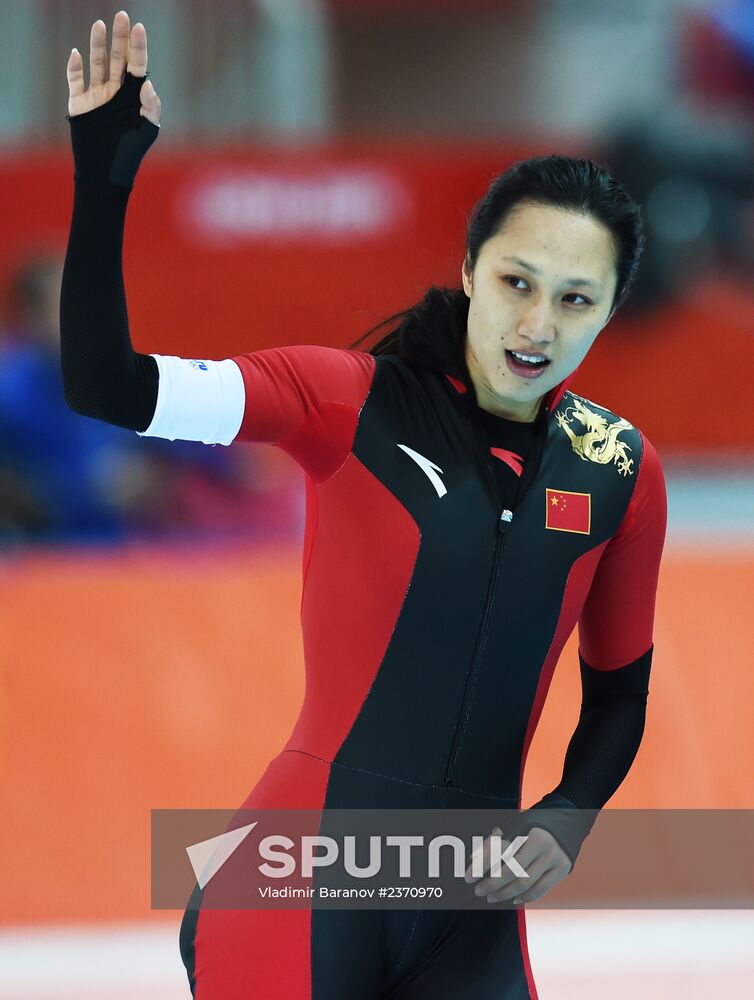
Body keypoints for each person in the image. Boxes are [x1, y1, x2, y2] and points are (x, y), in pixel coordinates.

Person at [61, 12, 667, 999]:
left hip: (468, 910)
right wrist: (104, 177)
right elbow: (106, 386)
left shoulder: (620, 471)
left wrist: (568, 814)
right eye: (516, 281)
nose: (535, 322)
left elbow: (620, 693)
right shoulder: (344, 400)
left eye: (573, 298)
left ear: (608, 311)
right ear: (469, 270)